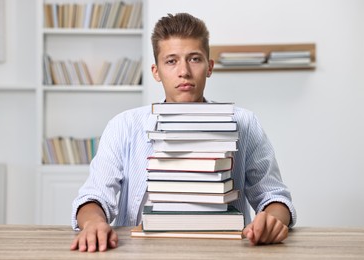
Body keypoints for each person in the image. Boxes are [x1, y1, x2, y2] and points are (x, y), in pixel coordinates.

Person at [70, 13, 296, 252]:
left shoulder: (244, 123)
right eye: (171, 61)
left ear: (209, 67)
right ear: (156, 72)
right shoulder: (124, 126)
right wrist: (94, 223)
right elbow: (94, 196)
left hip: (225, 252)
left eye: (194, 59)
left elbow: (274, 197)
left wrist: (273, 220)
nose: (184, 71)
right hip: (141, 251)